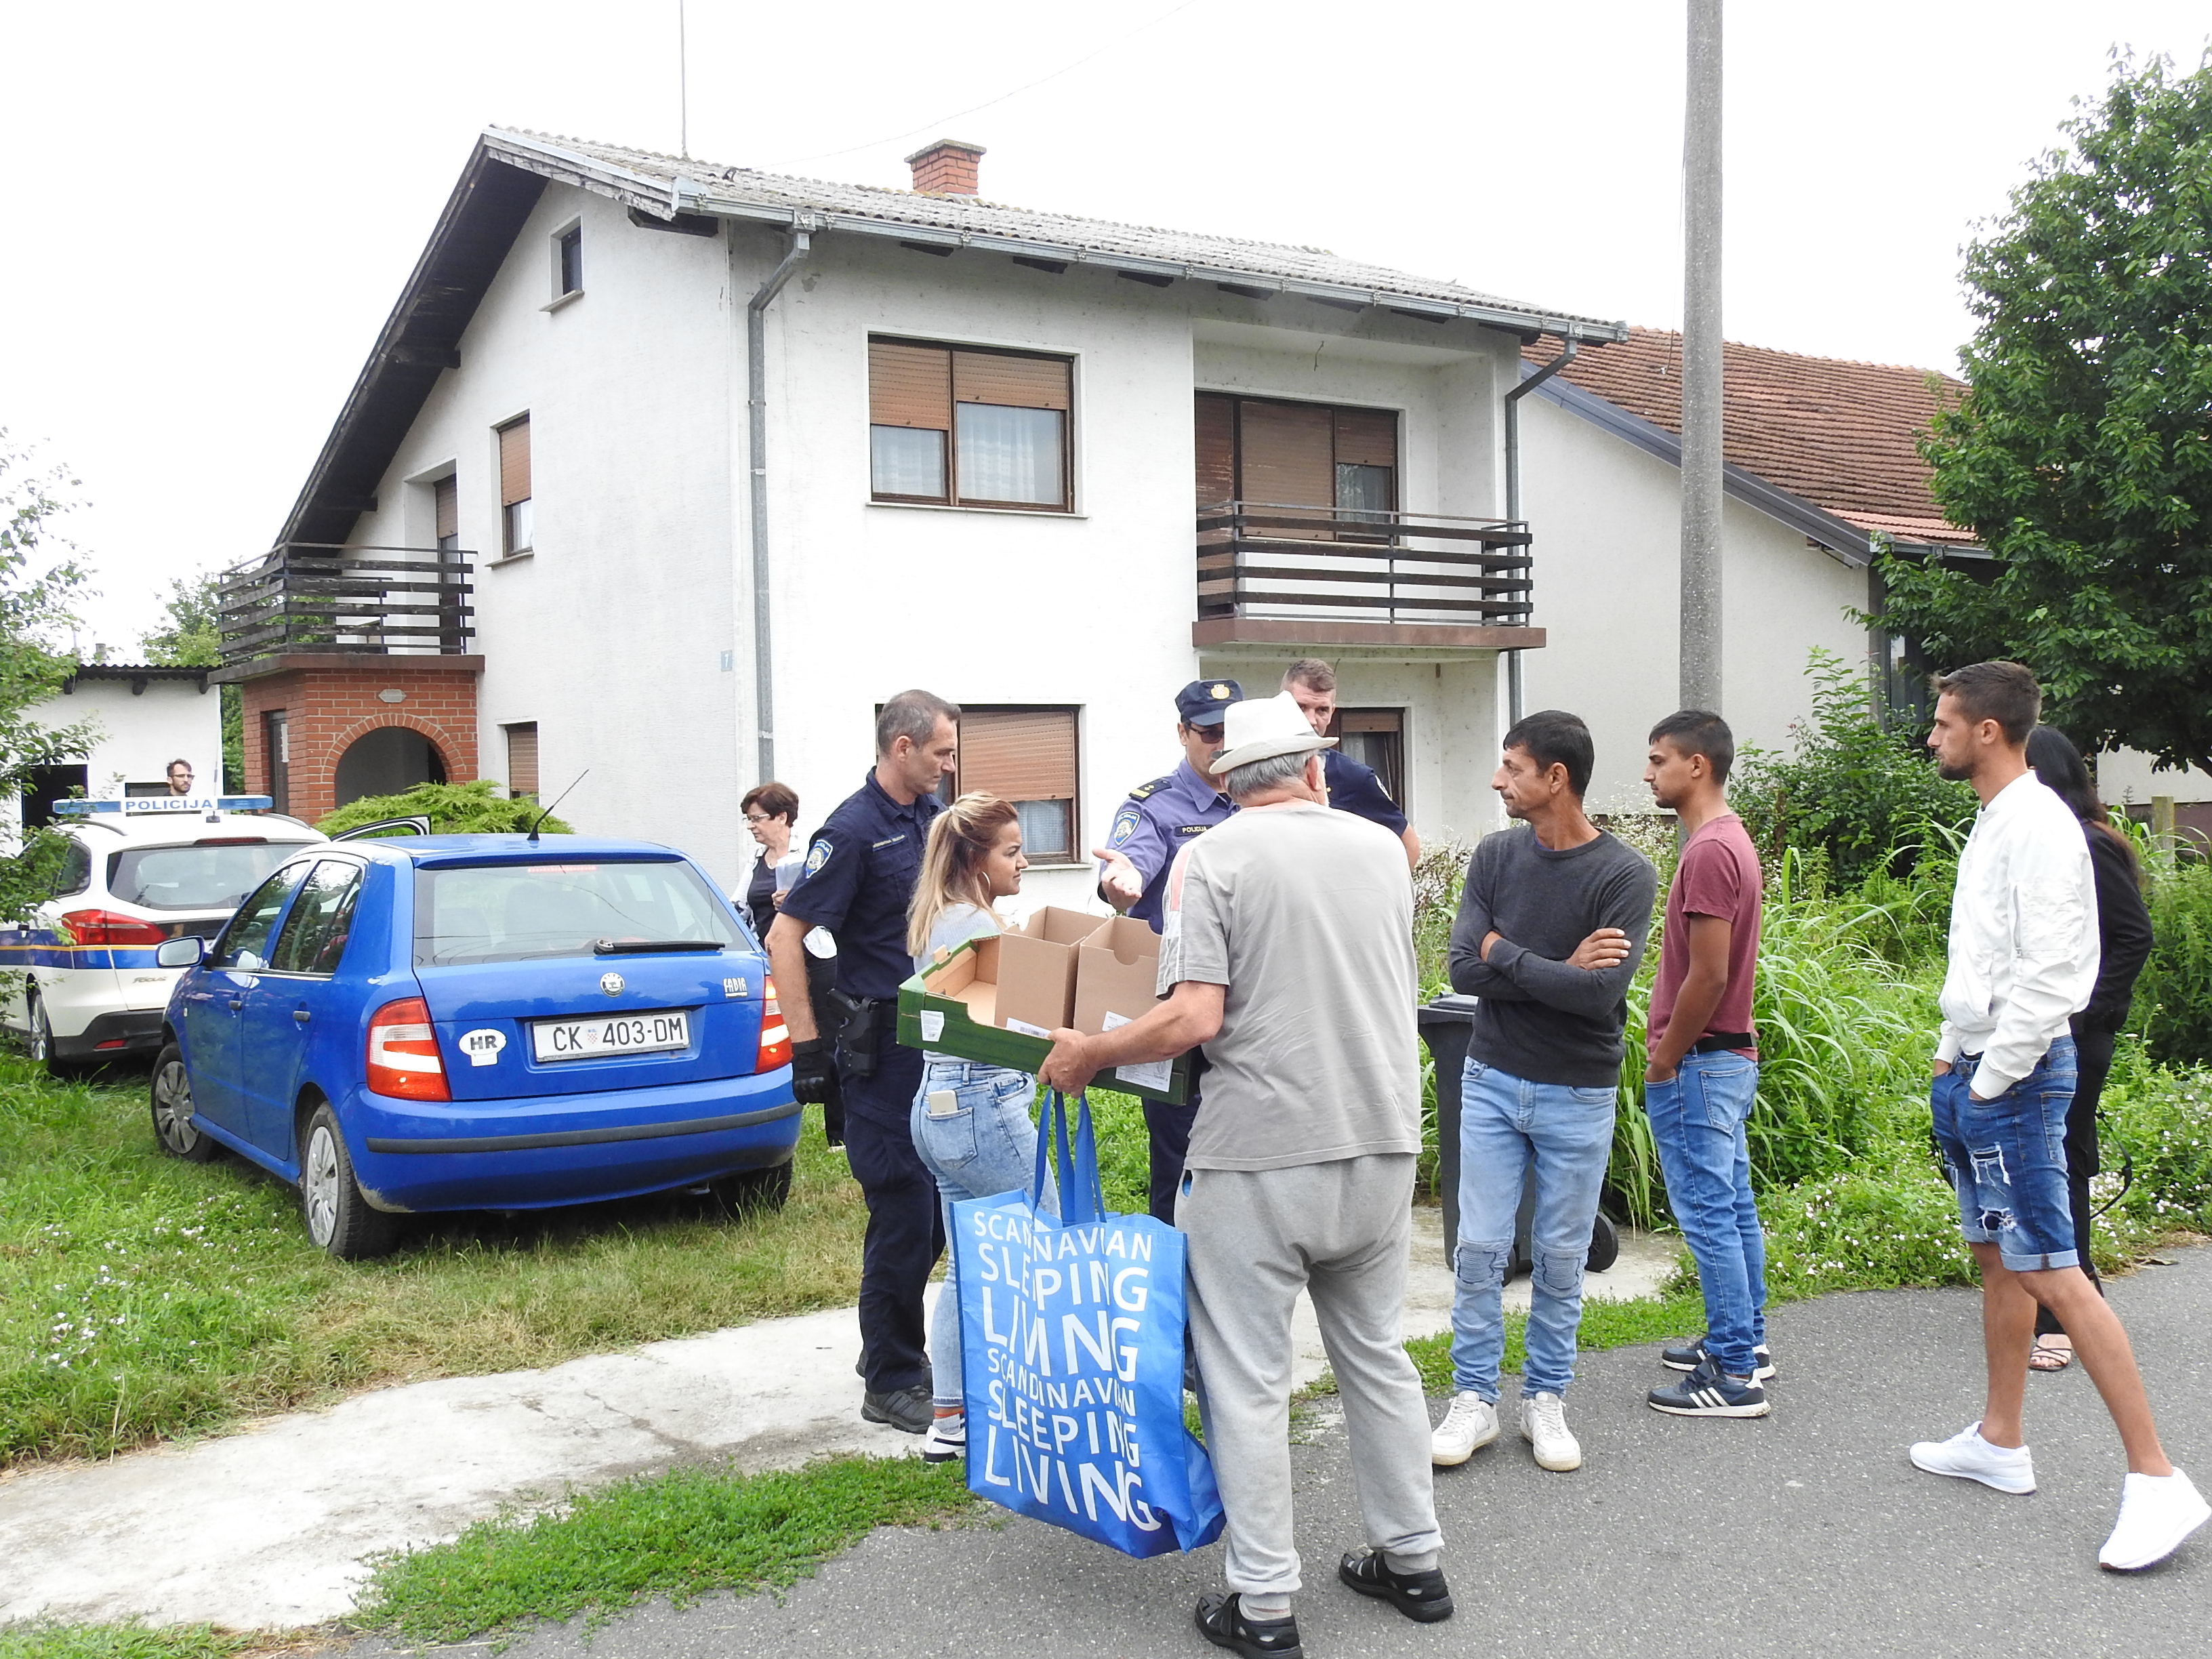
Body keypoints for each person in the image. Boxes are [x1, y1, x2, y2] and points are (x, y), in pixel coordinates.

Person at [1042, 691, 1450, 1659]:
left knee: (1249, 1377)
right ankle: (1415, 1560)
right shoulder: (1379, 853)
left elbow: (1193, 1019)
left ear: (1227, 784)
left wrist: (1086, 1055)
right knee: (1376, 1355)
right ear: (1313, 770)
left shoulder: (1209, 858)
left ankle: (1264, 1604)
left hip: (1260, 1151)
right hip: (1382, 1138)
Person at [1906, 661, 2205, 1571]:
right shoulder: (1998, 819)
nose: (1933, 736)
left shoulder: (2041, 827)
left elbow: (2053, 976)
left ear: (1988, 732)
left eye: (1944, 724)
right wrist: (1958, 1052)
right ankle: (2000, 1440)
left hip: (2019, 1079)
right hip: (1978, 1068)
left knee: (2058, 1276)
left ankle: (2159, 1482)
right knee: (2000, 1258)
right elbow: (1991, 963)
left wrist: (1991, 1076)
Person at [1431, 709, 1655, 1475]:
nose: (1500, 780)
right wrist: (1559, 964)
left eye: (1513, 768)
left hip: (1578, 1090)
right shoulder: (1495, 856)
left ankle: (1546, 1401)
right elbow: (1462, 969)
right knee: (1479, 1250)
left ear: (1555, 778)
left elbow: (1599, 997)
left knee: (1562, 1258)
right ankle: (1473, 1401)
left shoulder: (1625, 874)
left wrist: (1508, 953)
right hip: (1491, 1078)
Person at [770, 690, 957, 1436]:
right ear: (902, 746)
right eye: (941, 751)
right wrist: (805, 1047)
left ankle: (890, 1345)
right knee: (904, 1209)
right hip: (878, 1049)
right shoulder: (848, 832)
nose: (950, 763)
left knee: (934, 1210)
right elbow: (786, 939)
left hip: (930, 1040)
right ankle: (889, 1378)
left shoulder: (927, 817)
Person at [903, 793, 1050, 1468]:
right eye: (1012, 851)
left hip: (936, 1106)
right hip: (985, 1102)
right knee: (1055, 1240)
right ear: (974, 858)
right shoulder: (979, 928)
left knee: (966, 1267)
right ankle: (1055, 1402)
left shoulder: (938, 919)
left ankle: (952, 1419)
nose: (1025, 862)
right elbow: (1016, 1020)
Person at [1637, 711, 1772, 1418]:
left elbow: (1709, 975)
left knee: (1711, 1214)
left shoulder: (1710, 851)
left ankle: (1732, 1372)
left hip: (1702, 1060)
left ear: (1698, 766)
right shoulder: (1726, 841)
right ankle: (1745, 1342)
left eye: (1659, 760)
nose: (1648, 772)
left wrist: (1663, 1060)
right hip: (1725, 1058)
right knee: (1733, 1206)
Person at [2021, 726, 2154, 1373]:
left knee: (2060, 1164)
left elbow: (2133, 937)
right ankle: (2056, 1297)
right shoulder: (2058, 840)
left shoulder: (2088, 844)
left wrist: (2085, 1014)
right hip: (2059, 1027)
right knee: (2058, 1158)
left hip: (2077, 1032)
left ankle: (2067, 1310)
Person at [1090, 678, 1243, 1223]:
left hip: (1251, 1010)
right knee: (1180, 1164)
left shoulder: (1263, 794)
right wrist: (1121, 880)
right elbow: (1129, 864)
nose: (1221, 743)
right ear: (1183, 732)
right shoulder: (1155, 805)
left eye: (1231, 731)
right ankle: (1173, 1298)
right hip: (1181, 1010)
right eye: (1209, 732)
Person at [1279, 659, 1420, 867]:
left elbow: (1408, 845)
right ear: (1279, 705)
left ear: (1332, 713)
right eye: (1301, 707)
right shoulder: (1247, 768)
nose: (1311, 720)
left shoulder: (1353, 777)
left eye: (1322, 710)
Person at [740, 781, 800, 939]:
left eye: (756, 819)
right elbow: (738, 908)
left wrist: (797, 901)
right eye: (748, 819)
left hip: (811, 956)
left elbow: (829, 901)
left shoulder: (809, 854)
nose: (750, 826)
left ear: (781, 818)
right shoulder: (756, 858)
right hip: (765, 953)